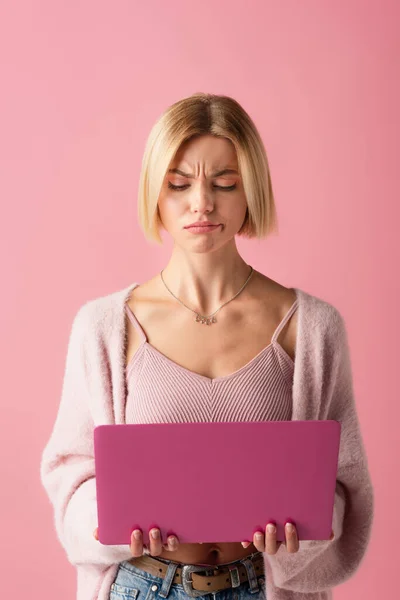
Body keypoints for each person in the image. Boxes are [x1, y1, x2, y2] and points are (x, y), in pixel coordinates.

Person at [40, 93, 374, 600]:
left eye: (224, 183)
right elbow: (70, 478)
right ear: (156, 192)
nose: (202, 203)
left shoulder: (313, 328)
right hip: (141, 585)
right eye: (179, 184)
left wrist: (300, 539)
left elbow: (345, 485)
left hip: (262, 586)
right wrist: (109, 521)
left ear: (251, 192)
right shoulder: (103, 327)